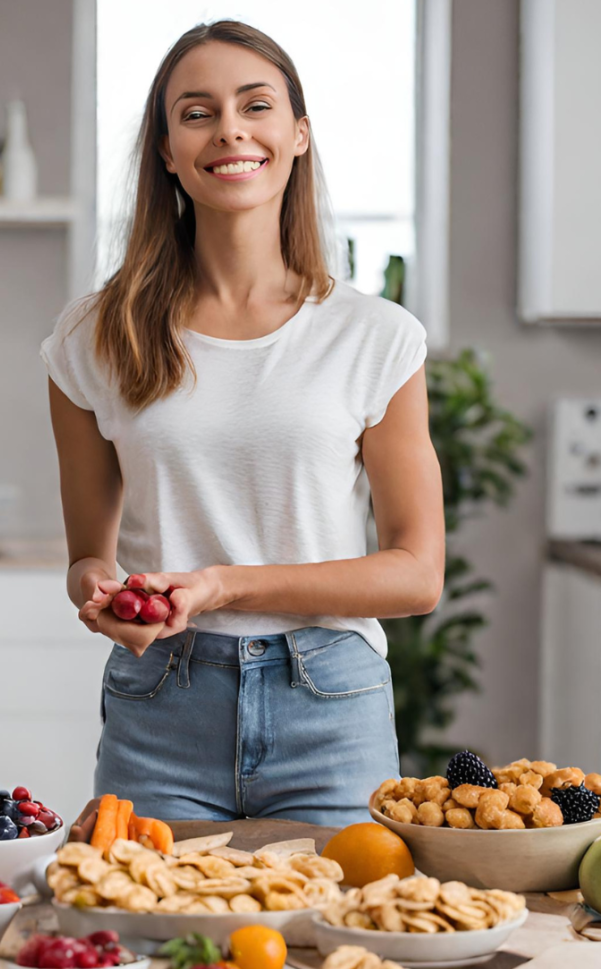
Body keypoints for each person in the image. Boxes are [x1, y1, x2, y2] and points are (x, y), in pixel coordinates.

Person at [41, 20, 444, 827]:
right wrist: (100, 593)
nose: (229, 127)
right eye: (197, 112)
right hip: (161, 704)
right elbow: (90, 558)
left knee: (336, 946)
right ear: (165, 150)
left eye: (255, 105)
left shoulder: (375, 337)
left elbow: (415, 572)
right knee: (147, 942)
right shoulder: (93, 337)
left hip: (329, 704)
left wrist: (224, 585)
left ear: (297, 135)